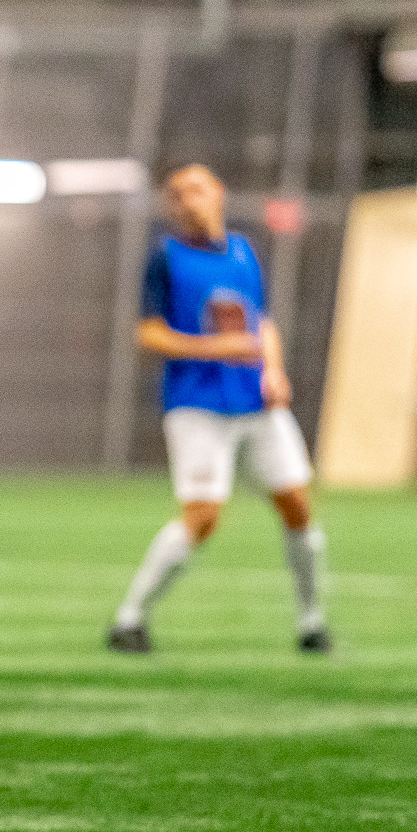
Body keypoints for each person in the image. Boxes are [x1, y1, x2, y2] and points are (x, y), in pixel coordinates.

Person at [108, 164, 331, 655]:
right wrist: (216, 349)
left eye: (197, 189)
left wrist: (274, 369)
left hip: (255, 402)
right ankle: (130, 618)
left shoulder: (244, 252)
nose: (188, 199)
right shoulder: (164, 258)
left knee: (298, 505)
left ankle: (312, 622)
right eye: (178, 193)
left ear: (219, 193)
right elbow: (147, 332)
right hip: (197, 405)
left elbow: (261, 322)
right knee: (204, 515)